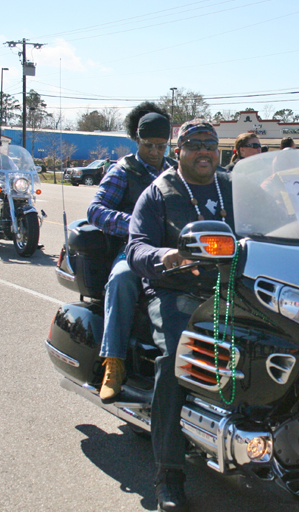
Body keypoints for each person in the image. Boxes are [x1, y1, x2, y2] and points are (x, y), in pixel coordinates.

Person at [127, 119, 232, 512]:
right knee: (178, 361)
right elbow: (136, 248)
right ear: (179, 150)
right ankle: (168, 476)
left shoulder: (235, 187)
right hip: (176, 290)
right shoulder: (159, 192)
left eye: (210, 143)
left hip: (234, 287)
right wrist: (165, 256)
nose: (204, 150)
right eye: (194, 143)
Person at [86, 102, 175, 401]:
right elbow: (95, 210)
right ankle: (114, 363)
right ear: (137, 140)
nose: (154, 151)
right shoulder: (123, 171)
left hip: (171, 252)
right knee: (122, 280)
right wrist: (136, 225)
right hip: (133, 250)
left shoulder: (174, 172)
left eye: (161, 145)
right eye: (149, 145)